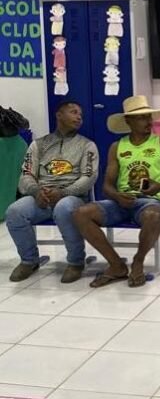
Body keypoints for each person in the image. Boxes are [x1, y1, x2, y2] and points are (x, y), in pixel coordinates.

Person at [73, 95, 160, 288]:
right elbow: (107, 186)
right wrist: (117, 196)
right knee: (81, 213)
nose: (148, 121)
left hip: (149, 201)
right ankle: (116, 265)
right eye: (142, 117)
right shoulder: (117, 147)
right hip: (120, 202)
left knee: (153, 215)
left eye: (149, 117)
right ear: (128, 121)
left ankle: (138, 261)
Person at [6, 100, 98, 283]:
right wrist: (36, 191)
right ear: (59, 115)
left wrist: (63, 192)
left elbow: (89, 178)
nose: (79, 117)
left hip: (73, 198)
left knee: (63, 208)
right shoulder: (38, 145)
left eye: (80, 114)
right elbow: (26, 175)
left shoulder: (87, 146)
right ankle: (29, 261)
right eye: (74, 112)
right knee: (14, 212)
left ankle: (76, 262)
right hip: (42, 197)